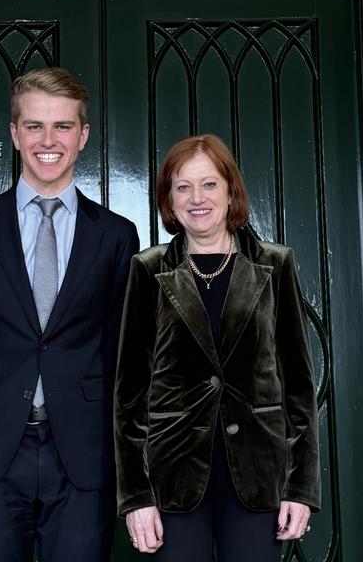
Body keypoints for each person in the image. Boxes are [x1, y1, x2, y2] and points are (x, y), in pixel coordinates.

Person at [0, 67, 139, 562]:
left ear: (83, 135)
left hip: (84, 452)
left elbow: (121, 344)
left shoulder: (116, 235)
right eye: (34, 126)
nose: (49, 141)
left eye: (63, 126)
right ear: (15, 133)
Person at [113, 134, 321, 560]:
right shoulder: (148, 270)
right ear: (169, 200)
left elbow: (298, 386)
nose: (197, 198)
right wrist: (136, 496)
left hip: (258, 477)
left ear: (230, 191)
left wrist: (300, 488)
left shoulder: (275, 265)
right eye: (182, 187)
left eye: (209, 184)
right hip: (171, 480)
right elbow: (129, 397)